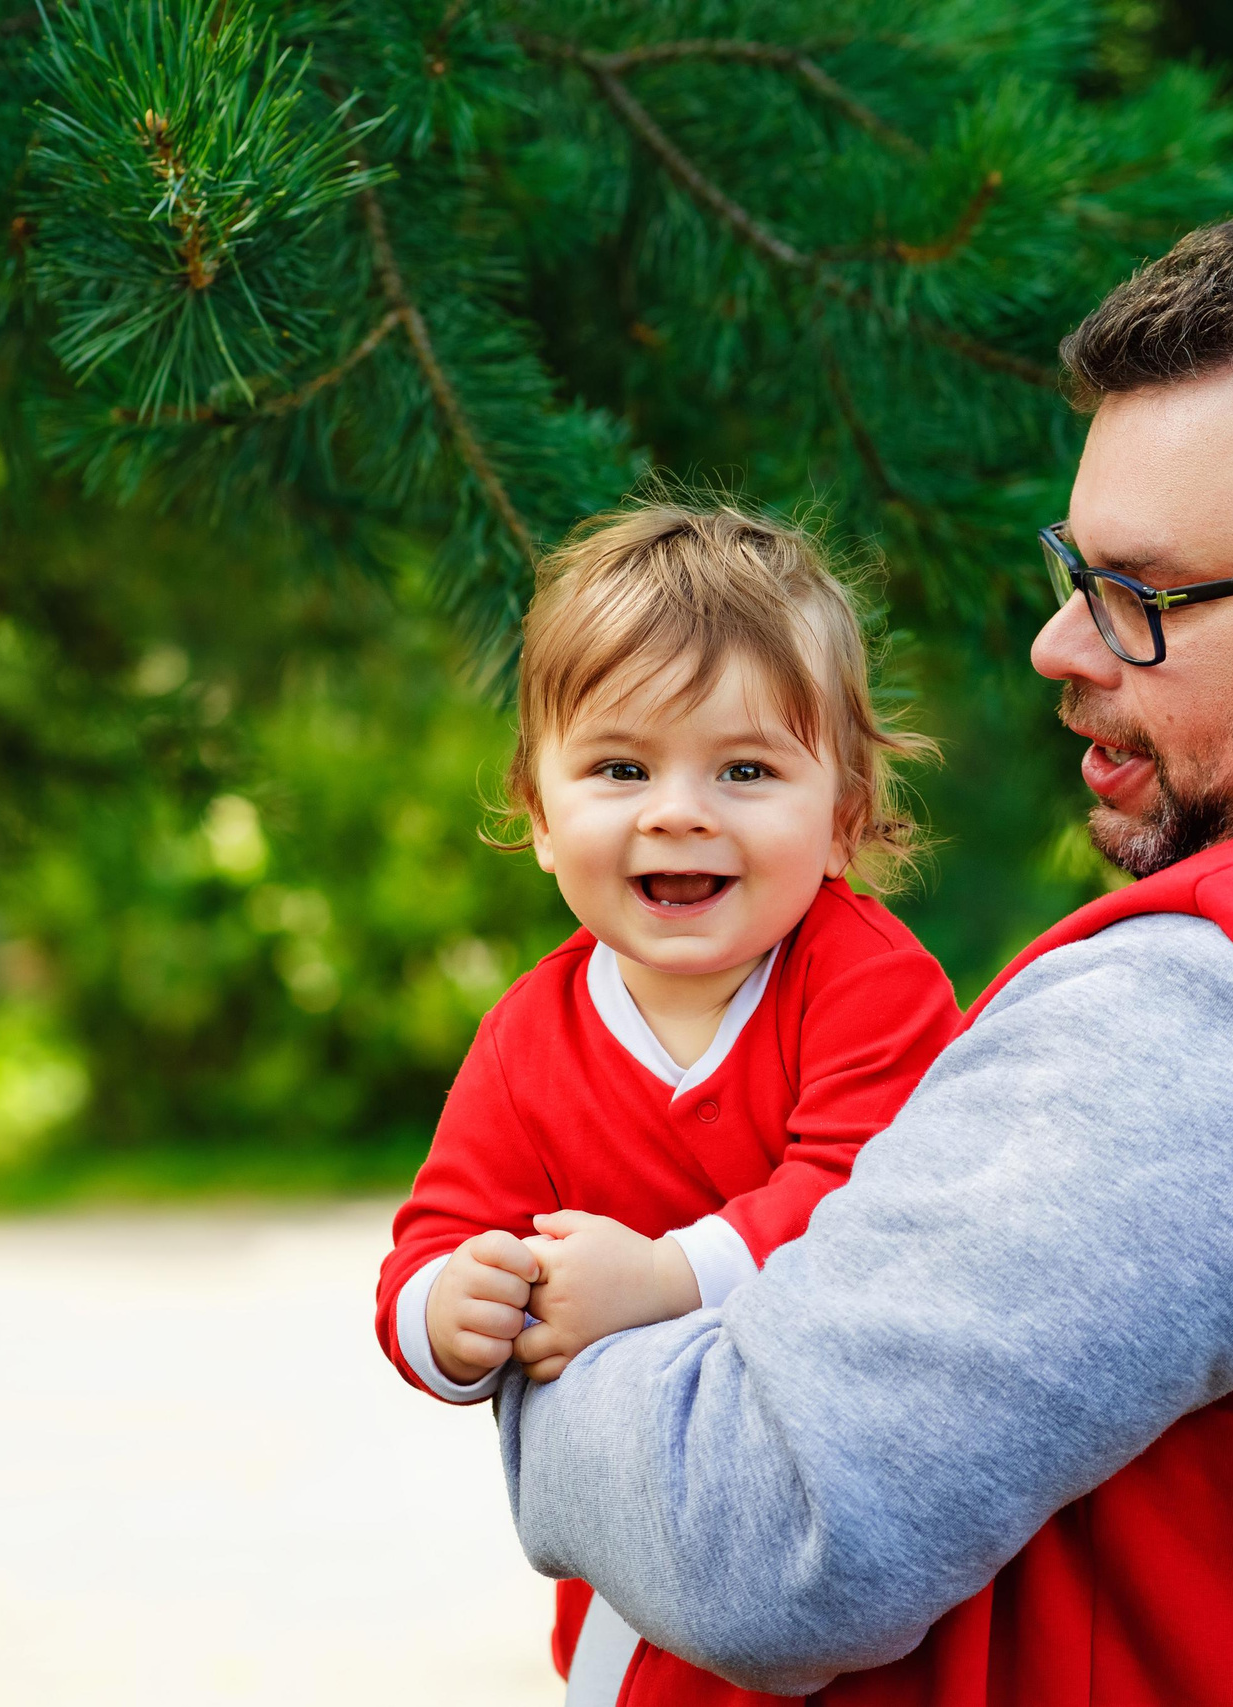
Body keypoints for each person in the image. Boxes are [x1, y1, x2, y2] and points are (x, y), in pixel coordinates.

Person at [500, 191, 1233, 1705]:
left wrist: (531, 1340)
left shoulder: (1218, 998)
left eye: (1145, 595)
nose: (1060, 646)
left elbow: (771, 1521)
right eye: (1076, 576)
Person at [373, 504, 964, 1706]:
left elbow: (878, 1205)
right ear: (539, 816)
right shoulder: (528, 1038)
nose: (677, 810)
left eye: (744, 770)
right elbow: (431, 1242)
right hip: (642, 1614)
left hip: (875, 1579)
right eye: (619, 769)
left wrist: (664, 1279)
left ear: (843, 816)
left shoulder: (867, 982)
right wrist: (448, 1311)